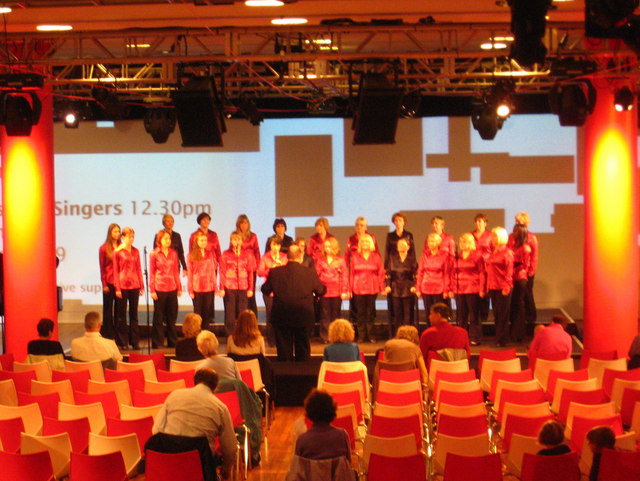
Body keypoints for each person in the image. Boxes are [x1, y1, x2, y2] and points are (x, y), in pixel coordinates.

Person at [152, 368, 237, 481]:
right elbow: (230, 448)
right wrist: (226, 469)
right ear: (215, 387)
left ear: (195, 381)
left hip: (168, 462)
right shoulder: (220, 407)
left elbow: (156, 430)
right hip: (201, 464)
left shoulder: (174, 395)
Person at [261, 245, 326, 361]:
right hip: (304, 316)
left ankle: (285, 377)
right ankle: (302, 377)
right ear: (300, 256)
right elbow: (320, 290)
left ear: (287, 257)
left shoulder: (275, 272)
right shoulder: (309, 273)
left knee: (283, 351)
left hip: (282, 316)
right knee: (303, 350)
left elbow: (265, 290)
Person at [449, 233, 485, 346]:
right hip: (460, 289)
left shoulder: (478, 255)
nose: (464, 244)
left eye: (466, 241)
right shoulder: (457, 256)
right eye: (462, 241)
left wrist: (482, 288)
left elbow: (482, 273)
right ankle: (461, 337)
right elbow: (453, 273)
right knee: (461, 316)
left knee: (474, 315)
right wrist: (452, 288)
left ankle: (475, 337)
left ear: (471, 243)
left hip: (473, 288)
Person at [294, 389, 351, 460]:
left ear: (309, 412)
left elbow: (299, 467)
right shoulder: (342, 435)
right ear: (333, 410)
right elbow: (348, 464)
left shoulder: (302, 440)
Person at [350, 234, 386, 343]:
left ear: (370, 244)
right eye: (363, 242)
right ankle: (361, 336)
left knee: (370, 313)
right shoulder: (355, 256)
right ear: (360, 244)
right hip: (358, 287)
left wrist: (382, 287)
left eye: (367, 242)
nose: (365, 244)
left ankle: (371, 335)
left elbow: (381, 273)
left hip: (372, 286)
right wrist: (349, 289)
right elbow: (351, 273)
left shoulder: (376, 257)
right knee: (360, 313)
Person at [150, 229, 182, 348]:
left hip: (172, 287)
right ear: (160, 240)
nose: (168, 241)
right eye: (165, 239)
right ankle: (157, 342)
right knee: (158, 318)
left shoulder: (173, 253)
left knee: (171, 317)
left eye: (169, 239)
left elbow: (175, 271)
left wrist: (179, 287)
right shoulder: (154, 254)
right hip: (159, 287)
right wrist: (152, 289)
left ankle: (172, 341)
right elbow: (152, 272)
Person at [219, 232, 255, 335]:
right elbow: (222, 272)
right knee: (230, 313)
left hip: (243, 287)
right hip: (229, 287)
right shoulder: (226, 254)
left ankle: (242, 334)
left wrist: (251, 288)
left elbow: (250, 272)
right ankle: (230, 336)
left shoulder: (247, 254)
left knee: (242, 313)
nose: (237, 242)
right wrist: (222, 288)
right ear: (231, 241)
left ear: (242, 241)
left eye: (239, 239)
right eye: (234, 240)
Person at [113, 226, 143, 350]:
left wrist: (141, 285)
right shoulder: (118, 252)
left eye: (133, 237)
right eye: (129, 237)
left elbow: (139, 268)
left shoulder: (136, 251)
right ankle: (122, 341)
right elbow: (115, 271)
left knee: (134, 314)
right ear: (123, 237)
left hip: (135, 284)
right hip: (123, 284)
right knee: (121, 315)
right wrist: (117, 288)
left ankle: (135, 341)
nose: (131, 239)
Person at [189, 212, 223, 321]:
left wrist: (220, 263)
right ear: (199, 221)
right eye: (203, 220)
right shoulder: (194, 235)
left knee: (210, 292)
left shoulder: (214, 234)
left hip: (211, 264)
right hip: (198, 268)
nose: (206, 222)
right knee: (199, 302)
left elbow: (218, 250)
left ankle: (210, 315)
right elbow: (191, 250)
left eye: (208, 219)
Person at [315, 238, 349, 343]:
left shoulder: (340, 260)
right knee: (325, 315)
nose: (327, 249)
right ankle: (325, 336)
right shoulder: (320, 261)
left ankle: (336, 336)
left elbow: (344, 276)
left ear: (334, 247)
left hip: (336, 291)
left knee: (335, 315)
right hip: (324, 291)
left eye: (329, 246)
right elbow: (317, 275)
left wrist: (344, 291)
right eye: (325, 247)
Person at [509, 211, 539, 324]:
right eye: (516, 221)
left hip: (526, 270)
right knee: (515, 294)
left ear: (525, 222)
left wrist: (531, 271)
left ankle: (530, 316)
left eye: (519, 221)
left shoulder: (531, 237)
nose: (517, 223)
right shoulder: (511, 236)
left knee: (527, 293)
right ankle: (515, 317)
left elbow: (534, 255)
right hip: (513, 270)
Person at [486, 227, 514, 347]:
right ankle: (498, 337)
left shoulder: (507, 252)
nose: (492, 238)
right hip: (493, 286)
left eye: (495, 236)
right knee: (497, 313)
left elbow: (509, 271)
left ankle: (502, 339)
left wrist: (506, 287)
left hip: (503, 286)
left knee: (503, 314)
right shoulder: (494, 251)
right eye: (492, 236)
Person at [257, 237, 287, 345]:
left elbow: (289, 271)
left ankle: (281, 339)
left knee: (282, 315)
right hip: (269, 291)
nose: (275, 247)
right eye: (273, 244)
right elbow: (259, 272)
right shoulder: (265, 257)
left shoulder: (284, 257)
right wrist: (271, 269)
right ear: (270, 245)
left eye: (277, 245)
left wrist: (280, 268)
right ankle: (271, 340)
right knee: (270, 315)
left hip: (282, 291)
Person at [416, 233, 450, 326]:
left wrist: (446, 290)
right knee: (428, 312)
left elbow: (446, 273)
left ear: (438, 243)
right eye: (429, 241)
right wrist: (418, 288)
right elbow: (420, 272)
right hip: (426, 287)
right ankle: (430, 332)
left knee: (439, 313)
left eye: (433, 241)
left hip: (439, 287)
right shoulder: (425, 255)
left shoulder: (444, 255)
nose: (430, 243)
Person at [384, 237, 418, 333]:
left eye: (403, 245)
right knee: (397, 313)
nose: (401, 246)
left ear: (408, 247)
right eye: (399, 245)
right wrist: (387, 285)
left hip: (408, 288)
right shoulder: (392, 258)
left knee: (408, 314)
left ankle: (407, 334)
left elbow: (416, 274)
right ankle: (398, 333)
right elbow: (388, 274)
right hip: (395, 288)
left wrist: (415, 286)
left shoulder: (412, 259)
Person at [187, 231, 218, 331]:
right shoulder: (191, 255)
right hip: (197, 287)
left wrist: (215, 287)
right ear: (196, 241)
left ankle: (205, 334)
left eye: (205, 240)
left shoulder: (211, 253)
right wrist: (190, 290)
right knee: (197, 314)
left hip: (208, 288)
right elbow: (190, 274)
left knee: (207, 313)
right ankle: (196, 334)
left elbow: (213, 271)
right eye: (201, 240)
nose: (203, 242)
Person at [509, 223, 532, 343]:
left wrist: (512, 267)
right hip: (512, 277)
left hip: (520, 278)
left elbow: (525, 266)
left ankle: (519, 333)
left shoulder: (526, 248)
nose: (514, 233)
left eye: (516, 231)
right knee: (514, 305)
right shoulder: (513, 245)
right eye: (514, 231)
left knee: (519, 305)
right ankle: (513, 332)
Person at [98, 223, 121, 340]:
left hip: (120, 283)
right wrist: (104, 284)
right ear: (110, 233)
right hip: (109, 281)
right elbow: (102, 267)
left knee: (119, 310)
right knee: (108, 310)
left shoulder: (122, 246)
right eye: (115, 231)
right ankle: (107, 334)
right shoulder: (103, 248)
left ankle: (118, 334)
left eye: (118, 231)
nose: (117, 234)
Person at [236, 214, 260, 316]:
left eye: (245, 222)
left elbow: (257, 251)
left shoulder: (253, 236)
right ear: (239, 224)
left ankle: (253, 315)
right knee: (241, 293)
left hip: (251, 266)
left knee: (251, 292)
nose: (244, 225)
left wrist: (258, 266)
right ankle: (241, 314)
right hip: (240, 267)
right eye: (242, 223)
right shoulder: (235, 236)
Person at [471, 213, 492, 324]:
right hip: (473, 267)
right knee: (476, 290)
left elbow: (494, 250)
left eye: (480, 221)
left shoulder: (490, 235)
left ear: (485, 223)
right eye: (477, 221)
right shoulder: (471, 235)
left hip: (487, 266)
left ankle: (484, 315)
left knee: (485, 290)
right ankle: (477, 315)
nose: (478, 224)